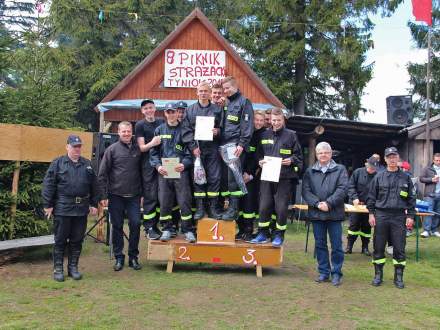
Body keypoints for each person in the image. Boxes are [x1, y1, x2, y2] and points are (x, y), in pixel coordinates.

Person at [42, 135, 98, 282]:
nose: (77, 149)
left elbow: (94, 186)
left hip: (81, 209)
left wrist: (93, 203)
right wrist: (48, 205)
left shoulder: (87, 164)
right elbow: (48, 184)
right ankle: (58, 269)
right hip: (63, 208)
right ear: (67, 147)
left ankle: (73, 268)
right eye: (74, 146)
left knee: (77, 240)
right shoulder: (58, 163)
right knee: (60, 240)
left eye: (79, 146)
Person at [251, 108, 303, 247]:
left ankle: (279, 235)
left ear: (283, 120)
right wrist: (259, 161)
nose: (276, 123)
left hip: (284, 177)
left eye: (279, 120)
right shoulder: (264, 135)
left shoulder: (291, 135)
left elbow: (298, 156)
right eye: (273, 120)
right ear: (271, 120)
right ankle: (262, 233)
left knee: (280, 208)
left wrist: (291, 159)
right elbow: (258, 154)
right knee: (264, 206)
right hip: (267, 176)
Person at [367, 147, 415, 289]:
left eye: (394, 156)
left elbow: (412, 198)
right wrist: (371, 213)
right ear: (385, 159)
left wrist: (410, 216)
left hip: (399, 216)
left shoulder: (406, 177)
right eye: (389, 157)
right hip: (381, 215)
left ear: (398, 158)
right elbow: (371, 197)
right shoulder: (379, 177)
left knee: (399, 247)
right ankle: (378, 275)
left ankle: (398, 277)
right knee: (379, 246)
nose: (392, 159)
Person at [302, 142, 348, 286]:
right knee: (320, 244)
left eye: (326, 152)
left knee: (337, 246)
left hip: (334, 213)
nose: (323, 155)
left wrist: (328, 203)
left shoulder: (340, 169)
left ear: (330, 154)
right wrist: (317, 204)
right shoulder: (310, 171)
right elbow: (306, 191)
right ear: (316, 154)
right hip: (317, 214)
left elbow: (342, 189)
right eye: (320, 153)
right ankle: (323, 272)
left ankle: (336, 273)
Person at [98, 121, 143, 271]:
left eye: (128, 131)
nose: (126, 134)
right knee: (117, 226)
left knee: (136, 224)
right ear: (118, 132)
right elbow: (102, 174)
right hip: (115, 195)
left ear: (132, 132)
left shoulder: (138, 149)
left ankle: (133, 257)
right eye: (123, 131)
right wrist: (104, 196)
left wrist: (142, 193)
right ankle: (119, 257)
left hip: (134, 196)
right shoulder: (111, 150)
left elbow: (143, 173)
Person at [150, 103, 195, 242]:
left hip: (180, 171)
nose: (171, 114)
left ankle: (187, 230)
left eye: (173, 112)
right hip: (164, 173)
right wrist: (158, 166)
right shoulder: (159, 130)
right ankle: (167, 229)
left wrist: (185, 164)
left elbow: (191, 152)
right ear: (165, 113)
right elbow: (153, 153)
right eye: (168, 112)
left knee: (184, 201)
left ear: (177, 113)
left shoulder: (185, 130)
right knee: (164, 201)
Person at [181, 81, 223, 220]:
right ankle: (199, 208)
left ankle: (212, 208)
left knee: (214, 178)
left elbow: (223, 128)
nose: (203, 93)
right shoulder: (190, 110)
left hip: (213, 149)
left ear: (210, 93)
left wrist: (218, 131)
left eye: (206, 91)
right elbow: (186, 131)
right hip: (197, 150)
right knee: (198, 178)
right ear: (196, 92)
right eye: (201, 91)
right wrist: (193, 147)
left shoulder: (218, 109)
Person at [220, 76, 254, 220]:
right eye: (224, 89)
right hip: (225, 146)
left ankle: (233, 210)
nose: (226, 91)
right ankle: (228, 208)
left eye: (228, 88)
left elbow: (247, 126)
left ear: (235, 86)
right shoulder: (227, 103)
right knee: (227, 179)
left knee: (234, 179)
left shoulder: (244, 102)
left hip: (235, 147)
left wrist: (242, 144)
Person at [135, 99, 163, 240]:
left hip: (163, 163)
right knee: (150, 196)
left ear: (155, 108)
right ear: (142, 111)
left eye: (150, 107)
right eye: (145, 108)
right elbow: (141, 148)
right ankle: (149, 227)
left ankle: (159, 225)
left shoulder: (162, 122)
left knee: (162, 195)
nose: (149, 110)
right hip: (148, 165)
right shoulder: (140, 125)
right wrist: (152, 143)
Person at [236, 110, 266, 241]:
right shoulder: (246, 133)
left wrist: (251, 174)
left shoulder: (265, 136)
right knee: (239, 203)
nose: (258, 123)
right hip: (239, 174)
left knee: (249, 204)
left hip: (253, 177)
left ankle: (249, 230)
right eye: (256, 120)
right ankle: (241, 229)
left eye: (261, 120)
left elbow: (259, 158)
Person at [345, 156, 378, 256]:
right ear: (366, 164)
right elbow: (351, 186)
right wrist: (354, 198)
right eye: (370, 167)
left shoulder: (378, 176)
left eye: (373, 168)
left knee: (366, 227)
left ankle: (365, 248)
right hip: (356, 204)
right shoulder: (358, 172)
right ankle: (349, 246)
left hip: (369, 206)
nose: (371, 170)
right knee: (353, 225)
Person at [419, 153, 440, 238]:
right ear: (433, 160)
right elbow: (421, 178)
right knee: (428, 212)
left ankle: (434, 230)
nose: (438, 162)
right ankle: (426, 231)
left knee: (438, 213)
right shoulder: (427, 169)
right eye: (437, 160)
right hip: (430, 194)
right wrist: (431, 179)